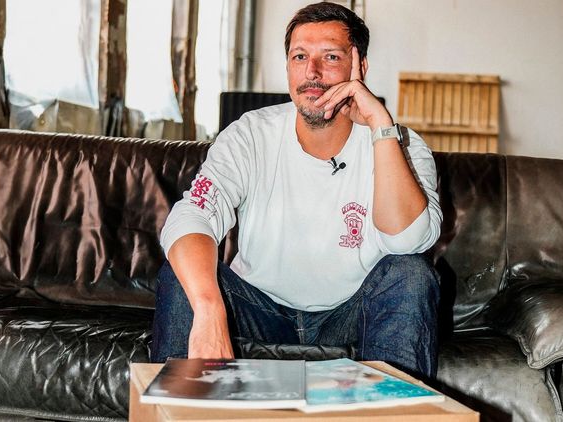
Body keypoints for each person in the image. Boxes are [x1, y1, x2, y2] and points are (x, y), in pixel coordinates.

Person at [151, 1, 442, 378]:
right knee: (185, 272)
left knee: (411, 273)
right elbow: (192, 215)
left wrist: (380, 129)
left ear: (360, 67)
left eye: (331, 57)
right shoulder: (251, 134)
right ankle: (181, 405)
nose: (312, 72)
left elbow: (408, 241)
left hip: (350, 314)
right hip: (258, 310)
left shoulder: (403, 145)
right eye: (300, 56)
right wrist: (209, 308)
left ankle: (391, 407)